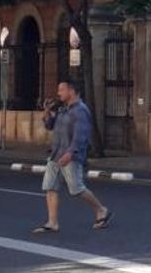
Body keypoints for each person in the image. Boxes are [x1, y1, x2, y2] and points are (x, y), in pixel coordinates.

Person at [34, 79, 112, 234]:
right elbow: (50, 126)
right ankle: (52, 222)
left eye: (61, 90)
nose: (58, 93)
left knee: (76, 188)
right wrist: (47, 112)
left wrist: (70, 153)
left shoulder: (81, 111)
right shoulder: (64, 110)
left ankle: (101, 210)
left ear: (71, 91)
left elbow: (81, 136)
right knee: (50, 187)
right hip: (56, 154)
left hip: (71, 157)